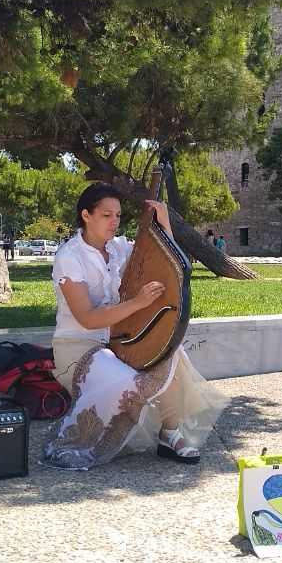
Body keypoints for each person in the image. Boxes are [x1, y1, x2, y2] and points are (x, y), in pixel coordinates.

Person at [39, 183, 229, 471]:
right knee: (127, 379)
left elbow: (162, 256)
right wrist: (138, 303)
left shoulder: (118, 248)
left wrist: (163, 222)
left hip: (119, 341)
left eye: (117, 215)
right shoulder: (69, 257)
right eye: (106, 215)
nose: (114, 221)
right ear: (86, 215)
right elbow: (87, 318)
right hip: (78, 348)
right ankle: (82, 439)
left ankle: (170, 434)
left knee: (170, 356)